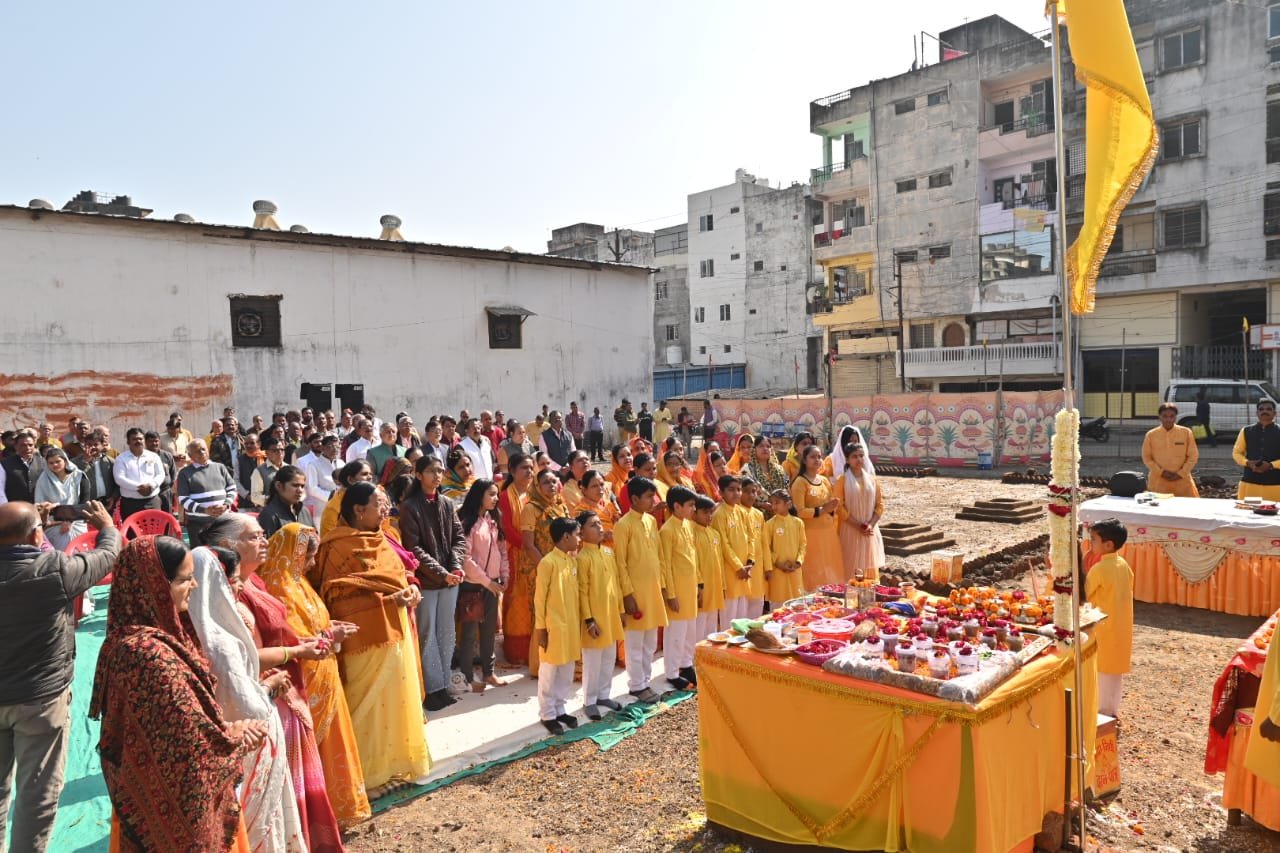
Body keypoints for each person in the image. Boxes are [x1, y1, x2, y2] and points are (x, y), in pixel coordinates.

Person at [90, 535, 266, 852]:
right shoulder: (146, 655)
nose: (194, 587)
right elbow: (186, 747)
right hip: (170, 815)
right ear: (154, 586)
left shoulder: (146, 639)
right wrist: (234, 736)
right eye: (185, 580)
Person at [202, 520, 344, 851]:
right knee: (269, 795)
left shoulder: (256, 584)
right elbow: (237, 659)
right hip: (261, 700)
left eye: (264, 534)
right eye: (255, 536)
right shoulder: (226, 595)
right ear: (230, 544)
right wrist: (295, 652)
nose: (265, 540)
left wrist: (318, 637)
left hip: (280, 690)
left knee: (284, 793)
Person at [0, 500, 115, 849]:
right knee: (38, 792)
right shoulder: (55, 570)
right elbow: (107, 557)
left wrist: (36, 526)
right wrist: (107, 526)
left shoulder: (50, 565)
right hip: (41, 699)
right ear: (38, 535)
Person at [187, 544, 307, 852]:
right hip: (246, 743)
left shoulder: (191, 628)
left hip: (229, 747)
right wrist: (267, 689)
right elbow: (245, 703)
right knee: (260, 830)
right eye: (235, 579)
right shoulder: (219, 639)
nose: (240, 586)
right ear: (218, 581)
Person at [316, 482, 432, 794]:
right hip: (363, 640)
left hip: (396, 633)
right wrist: (389, 600)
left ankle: (392, 767)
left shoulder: (384, 538)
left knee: (394, 701)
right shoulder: (335, 547)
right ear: (357, 510)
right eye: (378, 504)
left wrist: (412, 588)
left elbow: (402, 574)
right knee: (365, 705)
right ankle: (364, 778)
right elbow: (335, 598)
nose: (385, 510)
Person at [258, 524, 371, 830]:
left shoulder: (300, 583)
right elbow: (292, 642)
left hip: (325, 674)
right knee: (315, 751)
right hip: (304, 680)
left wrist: (329, 627)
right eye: (308, 556)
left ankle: (340, 810)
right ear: (293, 554)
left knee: (334, 743)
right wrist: (328, 634)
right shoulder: (278, 588)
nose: (311, 563)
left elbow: (312, 623)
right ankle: (321, 819)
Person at [397, 454, 467, 711]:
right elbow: (413, 548)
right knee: (427, 634)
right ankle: (432, 688)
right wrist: (441, 573)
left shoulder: (447, 503)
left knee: (447, 632)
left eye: (440, 471)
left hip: (450, 579)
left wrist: (456, 566)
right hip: (427, 581)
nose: (437, 476)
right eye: (430, 471)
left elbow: (459, 538)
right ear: (418, 475)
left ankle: (445, 683)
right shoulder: (410, 506)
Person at [614, 477, 669, 702]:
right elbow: (620, 563)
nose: (652, 501)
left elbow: (659, 556)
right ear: (634, 499)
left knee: (649, 642)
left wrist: (663, 586)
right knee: (635, 643)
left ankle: (645, 681)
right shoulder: (623, 525)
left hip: (653, 590)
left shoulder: (651, 521)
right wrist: (627, 594)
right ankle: (636, 685)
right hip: (635, 593)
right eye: (648, 497)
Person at [530, 517, 582, 734]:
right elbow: (539, 599)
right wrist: (541, 628)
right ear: (566, 536)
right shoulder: (548, 562)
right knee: (550, 669)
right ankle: (547, 713)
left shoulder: (570, 561)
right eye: (577, 535)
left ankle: (560, 708)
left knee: (567, 667)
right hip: (553, 625)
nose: (579, 539)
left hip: (570, 624)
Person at [456, 479, 508, 693]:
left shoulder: (493, 519)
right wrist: (487, 582)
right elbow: (466, 559)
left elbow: (502, 551)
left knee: (488, 631)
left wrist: (504, 576)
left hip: (493, 584)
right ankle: (468, 676)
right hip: (473, 585)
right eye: (492, 494)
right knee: (468, 633)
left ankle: (489, 672)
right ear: (480, 496)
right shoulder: (467, 522)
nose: (496, 499)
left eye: (496, 494)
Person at [520, 468, 572, 674]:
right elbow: (528, 544)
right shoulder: (531, 509)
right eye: (546, 483)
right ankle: (539, 664)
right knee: (543, 615)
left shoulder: (560, 505)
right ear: (537, 486)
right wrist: (544, 568)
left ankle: (561, 658)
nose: (551, 486)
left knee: (562, 613)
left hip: (564, 566)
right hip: (540, 568)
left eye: (554, 482)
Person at [574, 511, 625, 721]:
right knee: (593, 661)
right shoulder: (582, 558)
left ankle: (604, 695)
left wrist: (621, 610)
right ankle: (590, 700)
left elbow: (616, 585)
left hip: (611, 613)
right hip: (594, 617)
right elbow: (582, 592)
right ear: (582, 532)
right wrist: (589, 619)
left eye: (599, 524)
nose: (599, 528)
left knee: (608, 657)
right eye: (593, 525)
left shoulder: (608, 553)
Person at [1086, 518, 1134, 718]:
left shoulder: (1099, 569)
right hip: (1121, 626)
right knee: (1114, 672)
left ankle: (1102, 713)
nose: (1091, 543)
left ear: (1108, 544)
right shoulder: (1123, 565)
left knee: (1103, 670)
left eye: (1094, 540)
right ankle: (1111, 710)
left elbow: (1084, 593)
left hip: (1104, 628)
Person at [659, 486, 700, 688]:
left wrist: (699, 585)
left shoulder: (687, 525)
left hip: (690, 588)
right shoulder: (667, 530)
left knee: (689, 630)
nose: (693, 509)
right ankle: (672, 672)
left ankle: (685, 664)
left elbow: (692, 557)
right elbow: (665, 565)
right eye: (690, 505)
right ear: (677, 506)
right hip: (677, 591)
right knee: (675, 633)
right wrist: (671, 594)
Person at [498, 453, 535, 664]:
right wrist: (527, 546)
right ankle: (517, 651)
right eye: (523, 468)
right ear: (512, 471)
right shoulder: (505, 497)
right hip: (515, 554)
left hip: (535, 554)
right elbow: (507, 528)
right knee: (516, 600)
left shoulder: (535, 493)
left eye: (531, 468)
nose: (529, 472)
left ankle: (534, 647)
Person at [792, 445, 844, 590]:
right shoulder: (800, 482)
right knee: (813, 570)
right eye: (813, 457)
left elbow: (829, 506)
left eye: (819, 456)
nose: (817, 460)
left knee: (829, 568)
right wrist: (822, 510)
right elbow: (799, 511)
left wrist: (832, 508)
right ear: (804, 460)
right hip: (810, 534)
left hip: (828, 533)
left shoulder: (825, 481)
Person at [836, 443, 886, 582]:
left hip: (869, 530)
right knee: (851, 566)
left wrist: (870, 524)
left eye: (861, 456)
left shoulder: (872, 480)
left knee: (869, 569)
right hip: (850, 529)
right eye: (854, 456)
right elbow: (839, 507)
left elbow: (880, 505)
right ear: (847, 460)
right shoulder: (842, 480)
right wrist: (858, 525)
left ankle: (869, 600)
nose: (859, 459)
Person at [177, 439, 237, 544]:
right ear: (190, 456)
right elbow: (183, 499)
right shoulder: (184, 473)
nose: (202, 452)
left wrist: (226, 505)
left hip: (222, 521)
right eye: (197, 451)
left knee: (223, 553)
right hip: (198, 524)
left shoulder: (220, 467)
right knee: (200, 554)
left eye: (203, 449)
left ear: (208, 451)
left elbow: (231, 488)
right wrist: (204, 510)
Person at [712, 476, 753, 623]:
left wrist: (750, 561)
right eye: (731, 490)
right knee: (729, 618)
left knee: (742, 617)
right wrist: (738, 567)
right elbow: (724, 545)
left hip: (745, 570)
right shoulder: (719, 515)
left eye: (738, 489)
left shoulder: (741, 512)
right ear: (721, 492)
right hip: (731, 572)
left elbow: (750, 538)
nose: (736, 493)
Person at [33, 448, 88, 551]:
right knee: (59, 555)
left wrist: (69, 520)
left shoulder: (79, 477)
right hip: (53, 522)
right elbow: (40, 506)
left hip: (77, 520)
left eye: (58, 461)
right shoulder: (43, 480)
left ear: (65, 460)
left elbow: (84, 503)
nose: (55, 465)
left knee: (79, 553)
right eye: (51, 463)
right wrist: (59, 521)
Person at [1141, 403, 1200, 498]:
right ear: (1159, 417)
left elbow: (1193, 456)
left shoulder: (1186, 433)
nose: (1168, 419)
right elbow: (1147, 458)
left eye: (1171, 416)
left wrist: (1181, 473)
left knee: (1186, 510)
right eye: (1165, 416)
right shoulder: (1151, 435)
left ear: (1175, 417)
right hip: (1159, 482)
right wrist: (1161, 472)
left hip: (1182, 481)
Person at [112, 428, 167, 520]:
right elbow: (119, 478)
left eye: (140, 439)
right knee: (132, 531)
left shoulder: (153, 456)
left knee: (155, 531)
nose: (138, 441)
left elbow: (161, 474)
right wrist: (139, 487)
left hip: (152, 501)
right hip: (130, 504)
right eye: (134, 439)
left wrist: (151, 486)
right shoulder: (121, 459)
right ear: (128, 442)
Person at [763, 489, 806, 604]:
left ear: (788, 504)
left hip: (794, 570)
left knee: (796, 604)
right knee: (778, 606)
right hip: (778, 571)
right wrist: (777, 563)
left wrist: (798, 562)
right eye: (772, 503)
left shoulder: (798, 523)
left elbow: (803, 545)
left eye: (777, 502)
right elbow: (766, 548)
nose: (773, 506)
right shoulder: (769, 524)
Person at [1234, 399, 1280, 501]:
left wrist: (1271, 465)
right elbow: (1237, 453)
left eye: (1269, 409)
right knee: (1249, 512)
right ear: (1257, 413)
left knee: (1274, 514)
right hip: (1250, 483)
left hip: (1275, 484)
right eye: (1261, 409)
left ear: (1274, 413)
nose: (1265, 411)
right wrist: (1247, 463)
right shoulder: (1246, 431)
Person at [258, 464, 317, 538]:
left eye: (302, 486)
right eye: (295, 485)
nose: (300, 490)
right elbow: (267, 547)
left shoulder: (304, 511)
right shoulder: (269, 515)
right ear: (279, 486)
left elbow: (314, 540)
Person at [320, 460, 374, 534]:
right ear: (350, 480)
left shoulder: (368, 499)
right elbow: (332, 539)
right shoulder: (334, 508)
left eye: (371, 474)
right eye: (364, 474)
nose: (370, 477)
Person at [740, 479, 767, 616]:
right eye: (746, 492)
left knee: (757, 607)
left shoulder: (759, 514)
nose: (751, 495)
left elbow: (764, 544)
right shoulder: (737, 513)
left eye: (753, 492)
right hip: (743, 568)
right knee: (741, 610)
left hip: (758, 569)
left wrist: (768, 568)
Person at [302, 435, 341, 527]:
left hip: (341, 509)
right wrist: (331, 495)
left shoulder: (341, 463)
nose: (335, 450)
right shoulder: (314, 465)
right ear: (322, 448)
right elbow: (312, 488)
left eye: (337, 447)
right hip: (323, 509)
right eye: (331, 447)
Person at [745, 437, 788, 511]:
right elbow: (743, 496)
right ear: (754, 449)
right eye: (761, 446)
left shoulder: (779, 469)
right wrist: (761, 504)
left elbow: (787, 490)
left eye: (768, 446)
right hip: (756, 513)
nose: (765, 448)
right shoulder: (747, 470)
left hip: (779, 513)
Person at [0, 430, 38, 505]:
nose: (28, 448)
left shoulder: (42, 462)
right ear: (16, 446)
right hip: (14, 509)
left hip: (37, 508)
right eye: (23, 445)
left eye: (31, 445)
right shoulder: (4, 464)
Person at [251, 435, 286, 509]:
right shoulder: (259, 471)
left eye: (282, 449)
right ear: (267, 453)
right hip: (270, 511)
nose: (280, 453)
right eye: (275, 450)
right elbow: (255, 497)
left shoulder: (290, 468)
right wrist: (274, 500)